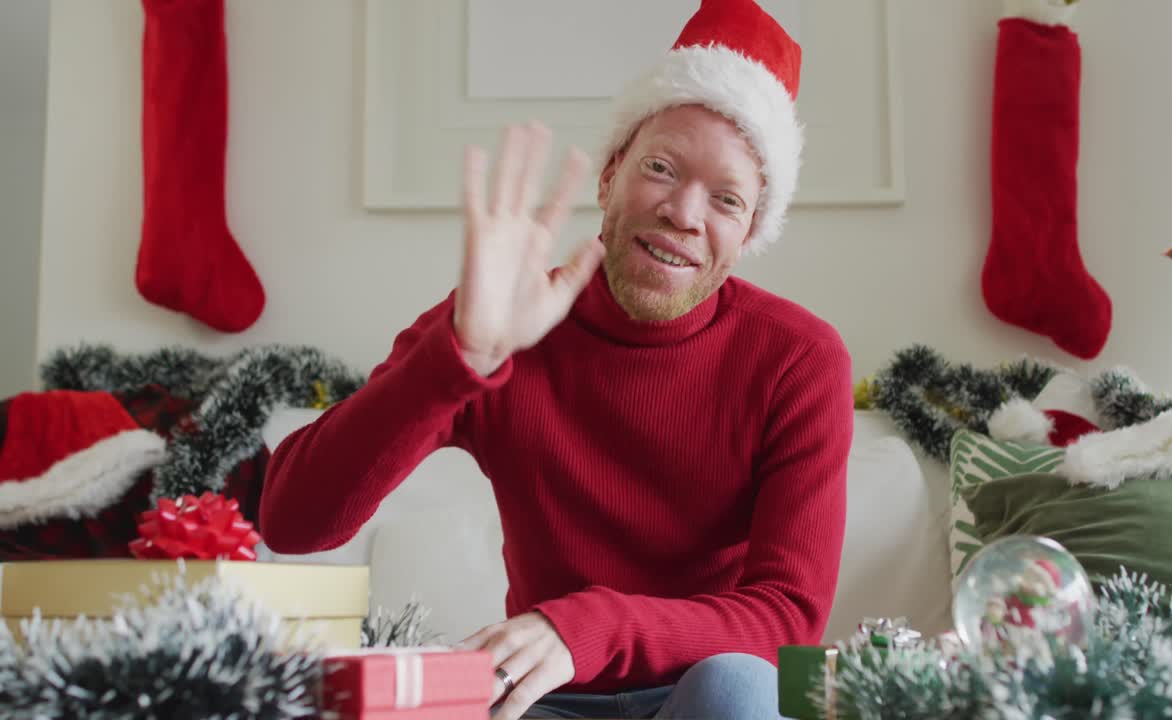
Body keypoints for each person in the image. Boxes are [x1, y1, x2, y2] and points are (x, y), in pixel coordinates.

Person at [259, 1, 853, 717]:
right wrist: (459, 358)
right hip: (547, 701)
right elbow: (289, 520)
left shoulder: (799, 358)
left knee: (738, 686)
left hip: (709, 692)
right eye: (662, 168)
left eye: (726, 199)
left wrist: (584, 627)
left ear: (749, 231)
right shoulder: (503, 322)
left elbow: (790, 619)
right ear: (610, 178)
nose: (685, 213)